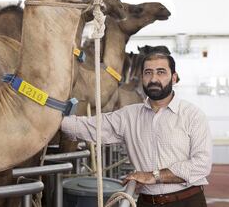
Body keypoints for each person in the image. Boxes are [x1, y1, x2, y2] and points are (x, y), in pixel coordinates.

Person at [61, 52, 212, 207]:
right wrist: (49, 115)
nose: (153, 79)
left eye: (161, 72)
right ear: (142, 78)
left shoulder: (193, 115)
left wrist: (154, 176)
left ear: (174, 78)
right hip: (146, 203)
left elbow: (201, 165)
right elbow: (85, 127)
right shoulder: (129, 116)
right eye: (148, 73)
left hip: (187, 201)